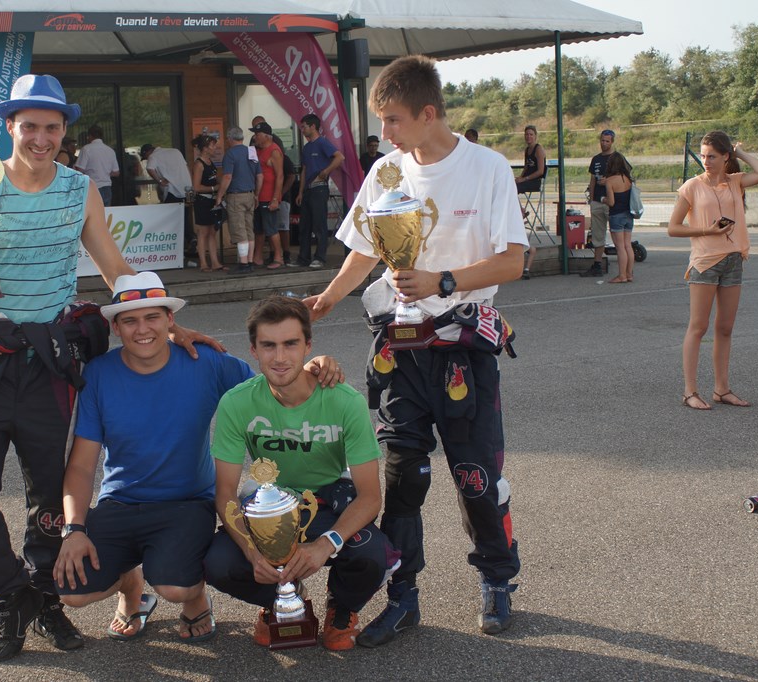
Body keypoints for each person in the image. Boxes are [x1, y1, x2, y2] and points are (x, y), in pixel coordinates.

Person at [0, 74, 221, 664]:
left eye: (52, 127)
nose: (41, 138)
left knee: (48, 489)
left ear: (64, 130)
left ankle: (45, 597)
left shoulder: (79, 188)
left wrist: (168, 322)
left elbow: (115, 268)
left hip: (48, 362)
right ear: (10, 126)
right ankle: (8, 595)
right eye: (29, 126)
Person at [304, 55, 526, 644]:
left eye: (395, 120)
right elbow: (365, 250)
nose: (386, 135)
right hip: (400, 351)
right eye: (382, 122)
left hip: (463, 351)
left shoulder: (487, 168)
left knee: (476, 478)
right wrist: (327, 298)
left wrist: (442, 281)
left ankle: (497, 578)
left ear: (429, 113)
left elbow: (513, 260)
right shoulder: (386, 172)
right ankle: (404, 596)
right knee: (403, 481)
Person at [54, 275, 342, 643]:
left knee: (174, 586)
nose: (142, 329)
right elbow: (81, 466)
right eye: (130, 320)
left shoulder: (205, 362)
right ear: (116, 327)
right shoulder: (99, 373)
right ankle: (131, 587)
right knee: (73, 593)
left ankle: (195, 598)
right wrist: (74, 529)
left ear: (170, 320)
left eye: (152, 317)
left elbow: (272, 386)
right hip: (120, 502)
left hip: (187, 502)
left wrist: (312, 366)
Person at [204, 295, 397, 651]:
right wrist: (253, 553)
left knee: (372, 556)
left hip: (329, 503)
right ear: (254, 350)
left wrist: (325, 545)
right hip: (270, 511)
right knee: (218, 563)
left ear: (308, 346)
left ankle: (342, 606)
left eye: (290, 344)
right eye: (269, 345)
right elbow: (226, 494)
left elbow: (371, 497)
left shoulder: (345, 401)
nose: (280, 357)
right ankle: (281, 598)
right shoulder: (236, 402)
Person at [667, 131, 758, 411]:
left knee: (725, 328)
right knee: (698, 327)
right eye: (703, 156)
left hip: (733, 260)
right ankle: (689, 392)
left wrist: (741, 153)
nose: (705, 161)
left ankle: (721, 389)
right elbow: (673, 228)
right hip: (705, 262)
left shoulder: (735, 182)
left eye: (711, 156)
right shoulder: (692, 186)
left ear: (726, 157)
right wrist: (707, 230)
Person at [295, 114, 344, 269]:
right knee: (305, 225)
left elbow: (339, 157)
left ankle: (320, 258)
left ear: (313, 126)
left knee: (319, 224)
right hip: (308, 189)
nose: (302, 130)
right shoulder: (307, 147)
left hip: (319, 188)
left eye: (304, 127)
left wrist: (326, 171)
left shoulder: (322, 142)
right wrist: (300, 191)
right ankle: (303, 258)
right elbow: (304, 170)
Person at [214, 127, 260, 275]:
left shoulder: (230, 154)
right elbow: (260, 176)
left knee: (239, 230)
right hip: (250, 195)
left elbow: (227, 177)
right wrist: (256, 194)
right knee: (249, 229)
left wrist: (220, 195)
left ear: (230, 138)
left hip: (236, 196)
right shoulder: (251, 151)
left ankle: (243, 263)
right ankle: (250, 261)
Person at [141, 142, 196, 255]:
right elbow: (186, 168)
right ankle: (191, 239)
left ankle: (177, 245)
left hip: (173, 190)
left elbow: (150, 168)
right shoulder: (175, 151)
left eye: (145, 157)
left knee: (171, 219)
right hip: (187, 190)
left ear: (147, 153)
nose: (147, 159)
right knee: (185, 216)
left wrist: (160, 181)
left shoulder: (153, 156)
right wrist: (191, 185)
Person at [190, 133, 227, 272]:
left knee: (212, 231)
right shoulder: (199, 164)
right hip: (202, 201)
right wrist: (214, 188)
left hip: (212, 201)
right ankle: (203, 263)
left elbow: (215, 179)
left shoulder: (210, 162)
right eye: (212, 146)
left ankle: (215, 262)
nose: (214, 148)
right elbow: (196, 187)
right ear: (205, 148)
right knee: (203, 232)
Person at [582, 129, 617, 277]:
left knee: (617, 233)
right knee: (597, 234)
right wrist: (591, 198)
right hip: (597, 200)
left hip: (612, 201)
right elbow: (592, 179)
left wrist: (608, 181)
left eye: (607, 141)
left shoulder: (617, 158)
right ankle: (597, 265)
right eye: (602, 140)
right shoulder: (596, 159)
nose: (604, 143)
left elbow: (625, 179)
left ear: (612, 142)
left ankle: (624, 267)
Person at [250, 121, 285, 269]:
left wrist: (275, 199)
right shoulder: (257, 150)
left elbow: (280, 176)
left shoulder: (274, 151)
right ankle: (257, 257)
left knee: (271, 228)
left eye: (257, 134)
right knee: (258, 229)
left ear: (266, 136)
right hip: (258, 196)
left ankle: (278, 257)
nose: (255, 137)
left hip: (269, 196)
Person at [600, 151, 635, 284]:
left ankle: (621, 276)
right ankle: (629, 274)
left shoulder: (610, 181)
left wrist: (603, 199)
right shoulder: (628, 179)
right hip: (628, 215)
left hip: (616, 216)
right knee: (628, 246)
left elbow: (611, 202)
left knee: (620, 247)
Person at [73, 125, 119, 206]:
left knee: (92, 212)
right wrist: (105, 172)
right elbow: (116, 173)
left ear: (90, 136)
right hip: (107, 188)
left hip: (92, 187)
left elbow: (80, 170)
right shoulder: (110, 150)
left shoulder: (86, 149)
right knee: (105, 212)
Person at [515, 125, 545, 194]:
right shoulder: (527, 150)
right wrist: (520, 177)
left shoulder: (538, 149)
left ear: (535, 136)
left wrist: (524, 179)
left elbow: (540, 171)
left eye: (531, 134)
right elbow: (526, 167)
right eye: (527, 134)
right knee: (509, 184)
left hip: (534, 182)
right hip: (526, 180)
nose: (528, 136)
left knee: (513, 188)